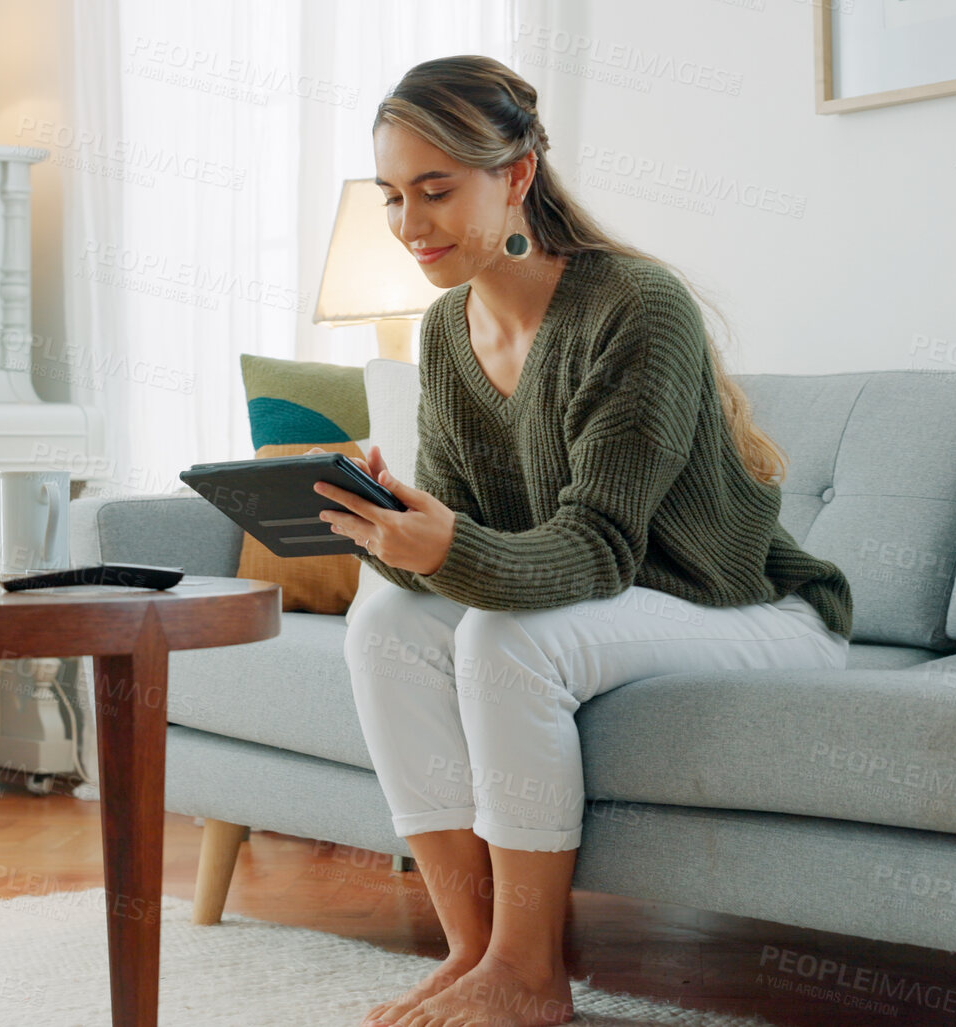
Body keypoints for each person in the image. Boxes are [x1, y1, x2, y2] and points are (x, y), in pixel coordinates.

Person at [312, 55, 854, 1027]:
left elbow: (595, 549)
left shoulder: (637, 308)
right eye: (392, 196)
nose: (408, 225)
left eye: (435, 191)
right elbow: (474, 533)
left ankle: (530, 973)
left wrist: (444, 545)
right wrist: (379, 523)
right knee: (385, 622)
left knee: (502, 638)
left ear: (515, 177)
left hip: (744, 606)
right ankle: (475, 952)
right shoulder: (444, 331)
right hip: (607, 603)